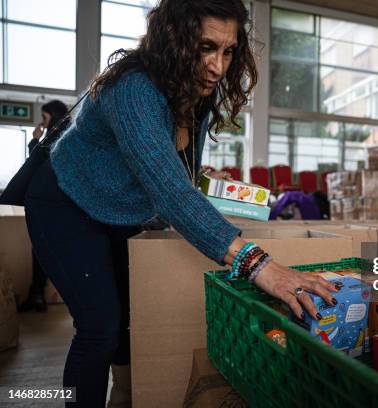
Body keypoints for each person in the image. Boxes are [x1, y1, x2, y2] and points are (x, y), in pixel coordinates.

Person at [23, 1, 338, 407]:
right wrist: (261, 265)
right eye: (207, 47)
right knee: (99, 328)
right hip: (63, 202)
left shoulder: (195, 93)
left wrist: (205, 184)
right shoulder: (133, 87)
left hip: (117, 209)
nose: (219, 66)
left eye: (228, 51)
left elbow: (178, 174)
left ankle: (123, 396)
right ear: (174, 39)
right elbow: (169, 191)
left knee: (126, 319)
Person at [19, 100, 70, 313]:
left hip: (53, 204)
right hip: (60, 204)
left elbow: (37, 161)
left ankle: (37, 295)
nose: (42, 121)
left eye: (45, 117)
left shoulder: (56, 138)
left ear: (53, 116)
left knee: (42, 251)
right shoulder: (68, 134)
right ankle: (37, 294)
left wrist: (34, 140)